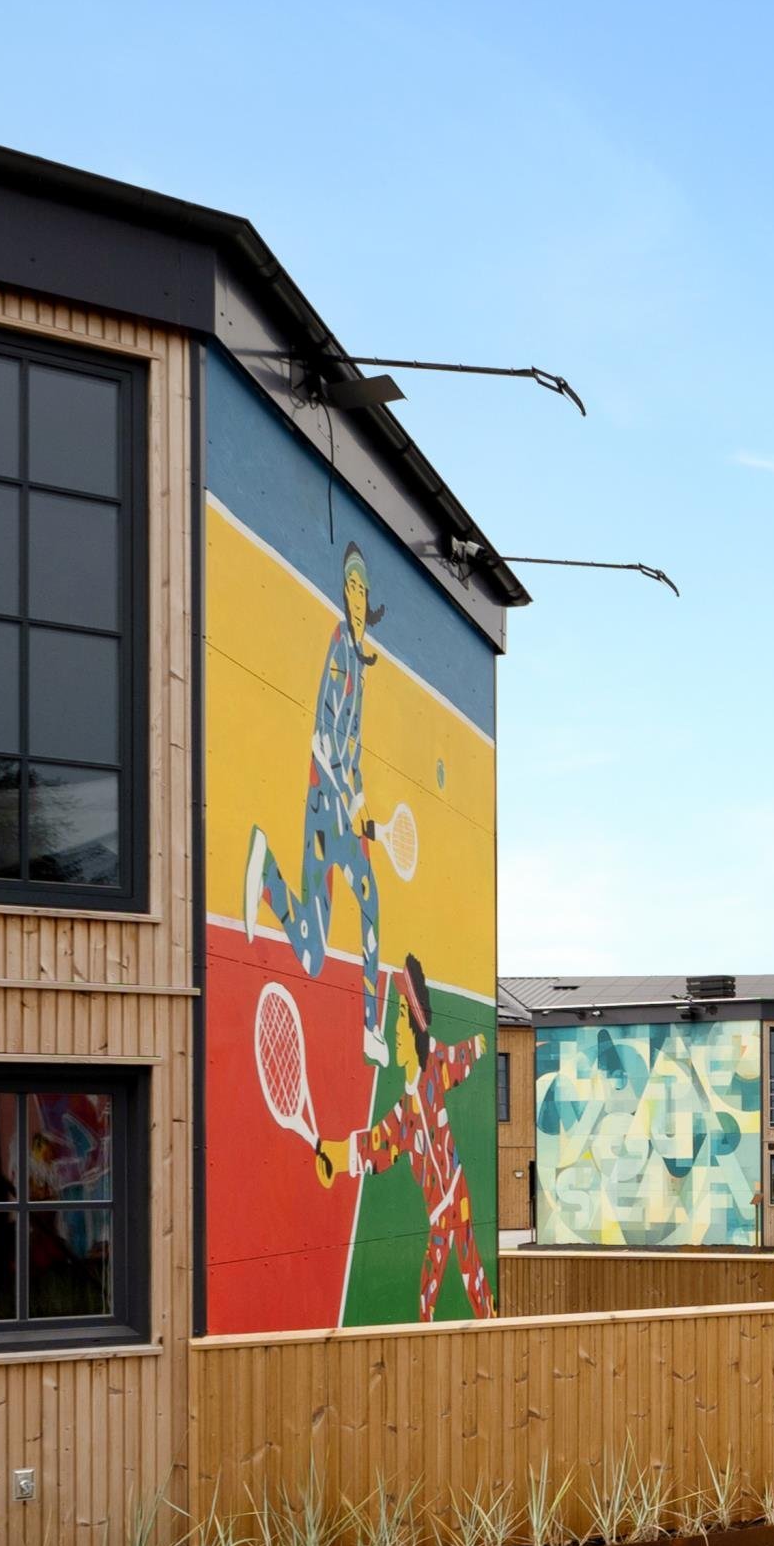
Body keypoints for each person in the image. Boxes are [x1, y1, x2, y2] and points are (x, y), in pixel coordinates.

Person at [244, 545, 392, 1062]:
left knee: (319, 949)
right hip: (325, 803)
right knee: (360, 913)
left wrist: (363, 802)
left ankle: (269, 878)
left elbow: (354, 750)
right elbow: (326, 737)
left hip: (343, 807)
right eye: (350, 588)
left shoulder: (362, 661)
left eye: (361, 589)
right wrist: (349, 800)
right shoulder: (339, 649)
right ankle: (266, 875)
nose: (356, 598)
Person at [317, 955, 493, 1320]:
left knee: (470, 1272)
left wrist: (480, 1043)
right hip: (440, 1208)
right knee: (437, 1283)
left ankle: (484, 1323)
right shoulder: (405, 1112)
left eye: (399, 1016)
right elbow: (377, 1145)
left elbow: (459, 1057)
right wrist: (335, 1155)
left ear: (414, 1024)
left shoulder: (433, 1067)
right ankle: (443, 1327)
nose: (395, 1029)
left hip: (455, 1194)